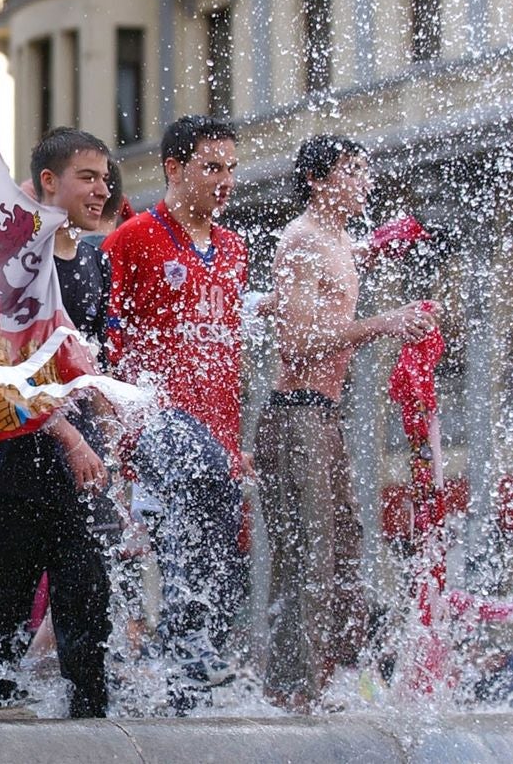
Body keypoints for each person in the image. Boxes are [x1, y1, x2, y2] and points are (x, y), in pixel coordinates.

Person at [256, 135, 436, 711]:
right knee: (308, 553)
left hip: (323, 415)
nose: (364, 181)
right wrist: (384, 322)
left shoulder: (336, 242)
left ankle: (330, 680)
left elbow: (324, 289)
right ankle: (292, 691)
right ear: (317, 180)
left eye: (366, 169)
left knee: (344, 549)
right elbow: (297, 340)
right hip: (296, 414)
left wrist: (387, 243)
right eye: (351, 171)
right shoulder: (302, 241)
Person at [0, 127, 116, 718]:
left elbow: (88, 364)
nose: (100, 189)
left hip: (80, 477)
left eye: (104, 178)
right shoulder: (12, 260)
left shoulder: (93, 260)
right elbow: (3, 366)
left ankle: (94, 741)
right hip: (11, 469)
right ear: (48, 182)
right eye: (86, 177)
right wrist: (72, 437)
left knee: (87, 626)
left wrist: (113, 428)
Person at [102, 115, 247, 700]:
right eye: (212, 167)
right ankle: (182, 643)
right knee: (187, 511)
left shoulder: (235, 248)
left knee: (220, 550)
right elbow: (103, 340)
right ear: (174, 168)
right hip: (153, 418)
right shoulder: (132, 238)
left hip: (216, 429)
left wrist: (237, 442)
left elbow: (231, 351)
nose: (226, 180)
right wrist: (117, 426)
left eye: (232, 168)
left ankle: (185, 672)